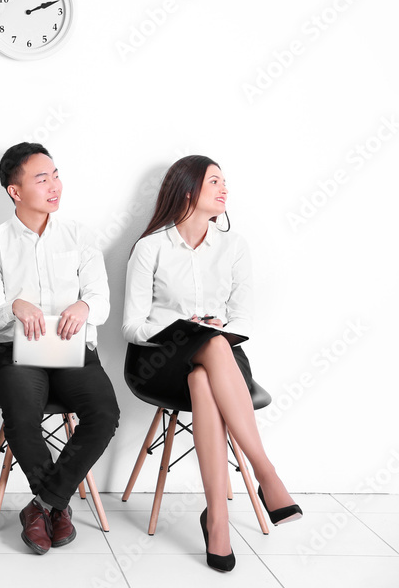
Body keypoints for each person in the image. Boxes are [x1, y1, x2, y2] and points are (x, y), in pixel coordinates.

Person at [123, 154, 302, 572]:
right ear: (188, 190)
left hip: (220, 361)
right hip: (160, 360)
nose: (224, 190)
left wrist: (217, 327)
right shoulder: (150, 247)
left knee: (208, 368)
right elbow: (131, 326)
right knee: (208, 348)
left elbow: (245, 318)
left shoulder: (234, 246)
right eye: (214, 182)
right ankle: (267, 475)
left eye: (225, 183)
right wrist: (182, 327)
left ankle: (216, 519)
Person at [0, 142, 120, 555]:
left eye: (55, 175)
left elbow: (102, 303)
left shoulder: (79, 235)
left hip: (73, 351)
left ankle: (43, 505)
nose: (54, 185)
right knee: (22, 416)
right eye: (42, 179)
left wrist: (84, 305)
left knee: (105, 414)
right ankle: (56, 508)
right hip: (17, 354)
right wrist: (13, 307)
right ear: (14, 191)